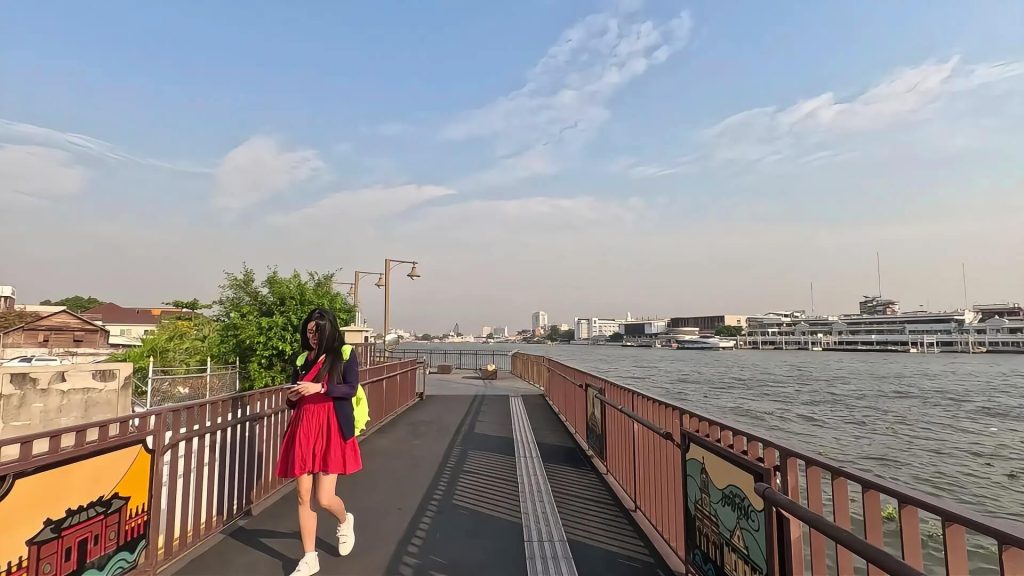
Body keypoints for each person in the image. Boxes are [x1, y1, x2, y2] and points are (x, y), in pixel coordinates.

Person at [276, 308, 362, 576]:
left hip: (330, 428)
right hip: (304, 426)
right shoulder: (303, 358)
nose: (313, 336)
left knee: (324, 498)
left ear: (330, 331)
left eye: (318, 331)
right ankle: (310, 557)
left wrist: (321, 388)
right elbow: (294, 397)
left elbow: (351, 388)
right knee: (303, 496)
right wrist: (292, 396)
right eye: (310, 331)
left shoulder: (344, 354)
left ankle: (344, 519)